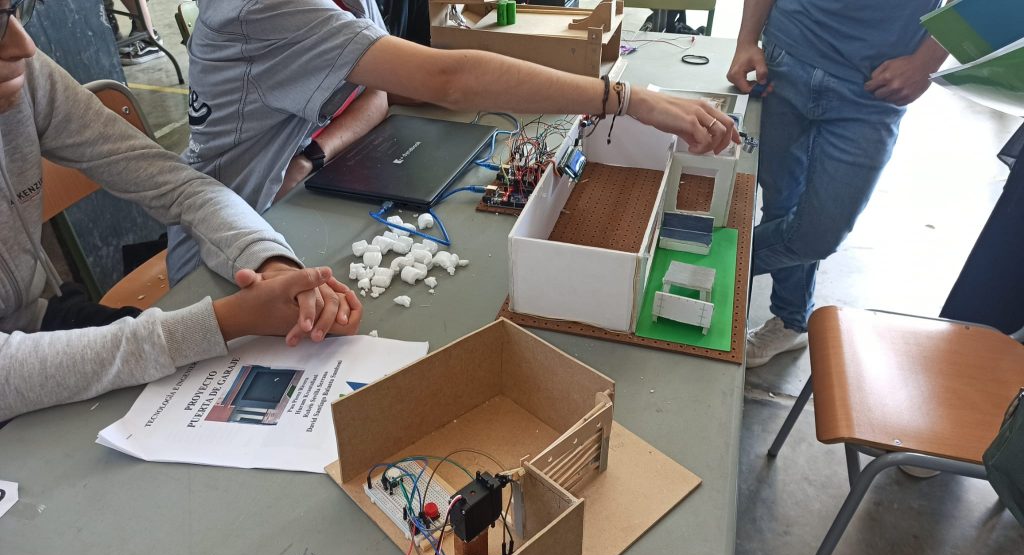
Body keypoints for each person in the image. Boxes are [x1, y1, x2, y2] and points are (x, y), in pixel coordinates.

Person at [168, 0, 742, 284]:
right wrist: (626, 99)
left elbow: (377, 94)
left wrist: (312, 156)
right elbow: (448, 79)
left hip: (294, 204)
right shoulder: (264, 9)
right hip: (226, 247)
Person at [0, 2, 361, 423]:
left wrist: (270, 263)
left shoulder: (27, 75)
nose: (24, 45)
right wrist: (221, 322)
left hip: (35, 320)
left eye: (15, 9)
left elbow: (176, 184)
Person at [726, 0, 948, 367]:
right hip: (786, 57)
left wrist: (928, 61)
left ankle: (707, 265)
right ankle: (791, 319)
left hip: (873, 86)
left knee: (817, 235)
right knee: (781, 204)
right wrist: (746, 39)